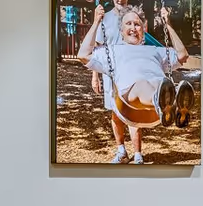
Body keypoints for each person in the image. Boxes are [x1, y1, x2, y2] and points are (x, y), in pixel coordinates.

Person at [79, 4, 195, 164]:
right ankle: (166, 99)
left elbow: (182, 55)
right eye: (128, 24)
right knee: (143, 83)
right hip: (129, 101)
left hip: (156, 105)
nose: (133, 27)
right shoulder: (113, 51)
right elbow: (83, 55)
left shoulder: (155, 50)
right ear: (121, 31)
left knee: (157, 81)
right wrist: (96, 22)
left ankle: (171, 103)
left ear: (144, 29)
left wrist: (168, 24)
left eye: (137, 24)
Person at [89, 0, 134, 164]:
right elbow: (97, 48)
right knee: (115, 112)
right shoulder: (105, 18)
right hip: (110, 75)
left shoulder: (135, 16)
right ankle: (121, 151)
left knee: (133, 112)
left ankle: (138, 154)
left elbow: (142, 45)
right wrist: (95, 76)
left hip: (131, 73)